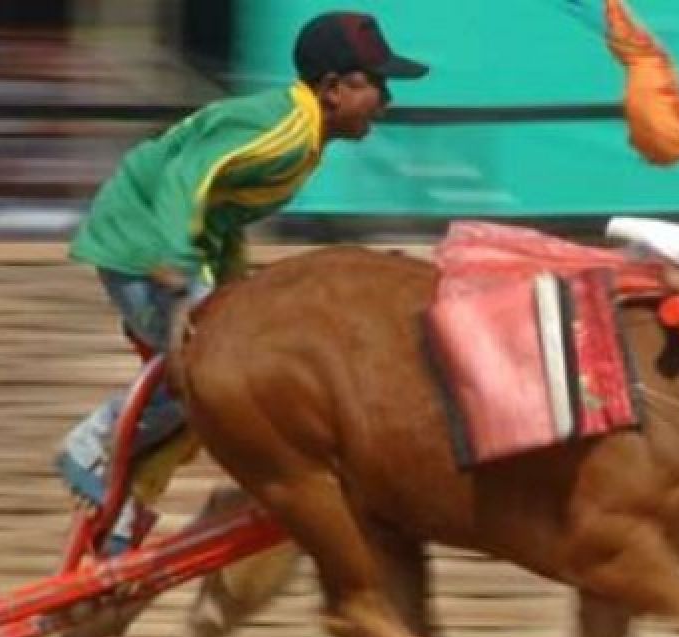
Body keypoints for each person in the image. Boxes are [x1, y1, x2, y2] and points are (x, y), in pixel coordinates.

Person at [56, 11, 428, 554]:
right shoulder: (286, 131)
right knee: (208, 373)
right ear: (331, 88)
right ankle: (91, 445)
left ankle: (124, 504)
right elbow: (189, 174)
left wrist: (235, 292)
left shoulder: (304, 136)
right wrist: (178, 264)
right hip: (138, 242)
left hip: (175, 242)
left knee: (216, 380)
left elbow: (224, 213)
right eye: (376, 82)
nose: (387, 98)